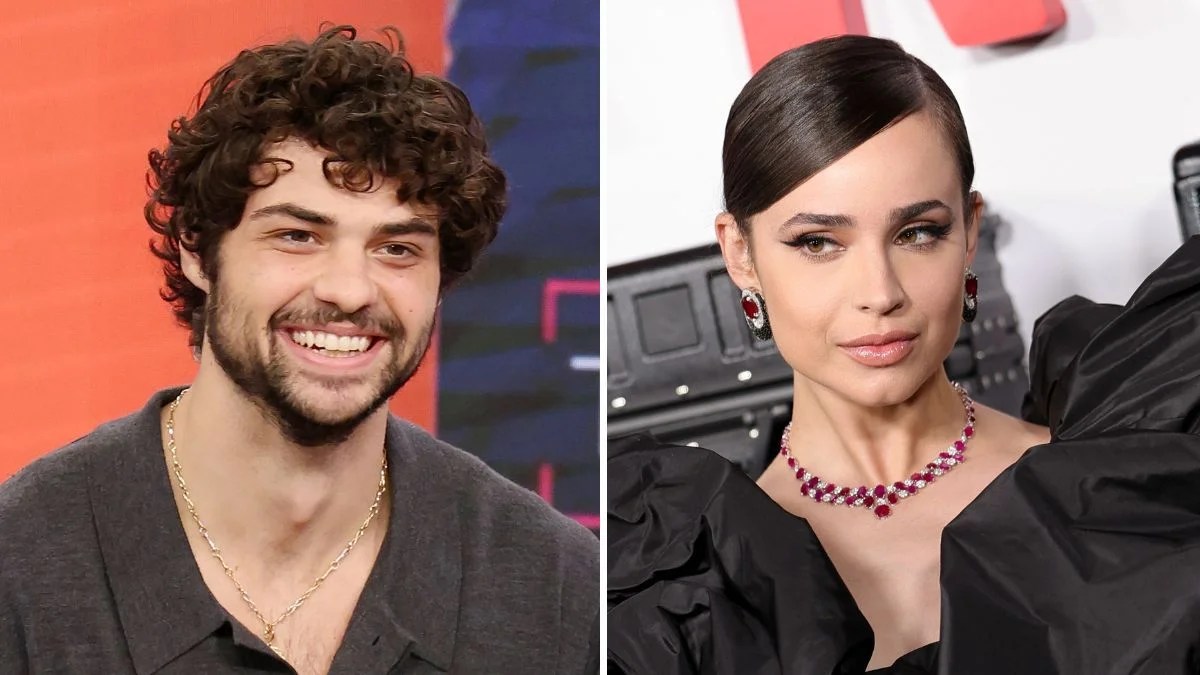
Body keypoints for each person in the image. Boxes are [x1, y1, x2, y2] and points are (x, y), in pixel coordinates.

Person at [0, 26, 599, 675]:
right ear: (198, 251)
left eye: (396, 248)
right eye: (297, 235)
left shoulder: (557, 589)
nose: (348, 289)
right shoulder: (22, 565)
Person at [608, 33, 1197, 674]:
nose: (879, 294)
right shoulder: (688, 603)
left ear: (969, 231)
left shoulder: (1125, 483)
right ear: (740, 254)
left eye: (917, 233)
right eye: (818, 243)